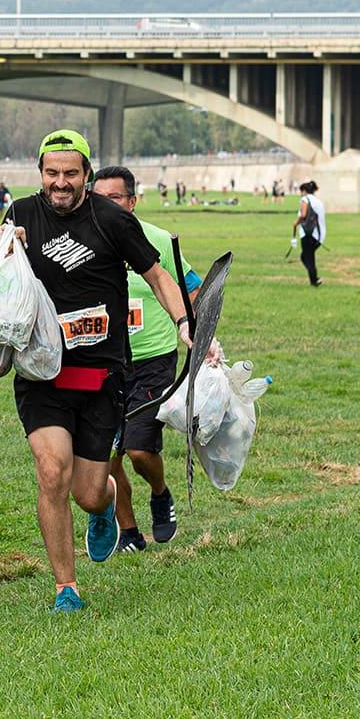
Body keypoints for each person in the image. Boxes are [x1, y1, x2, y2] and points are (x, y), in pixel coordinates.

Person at [1, 131, 192, 613]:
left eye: (70, 173)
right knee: (50, 472)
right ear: (40, 172)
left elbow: (158, 276)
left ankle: (105, 503)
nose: (60, 183)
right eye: (51, 173)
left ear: (86, 173)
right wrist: (8, 249)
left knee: (86, 493)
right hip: (41, 374)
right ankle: (67, 588)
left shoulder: (110, 219)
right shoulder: (20, 214)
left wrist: (184, 321)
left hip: (101, 378)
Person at [91, 165, 203, 552]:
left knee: (139, 450)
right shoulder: (86, 243)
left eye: (116, 198)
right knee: (104, 458)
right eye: (99, 198)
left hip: (153, 359)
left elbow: (192, 287)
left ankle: (159, 492)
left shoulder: (154, 240)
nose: (107, 205)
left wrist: (195, 328)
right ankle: (130, 533)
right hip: (105, 361)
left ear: (133, 201)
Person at [292, 180, 326, 287]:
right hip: (319, 235)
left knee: (308, 257)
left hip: (308, 233)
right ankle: (314, 277)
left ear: (304, 191)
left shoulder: (305, 199)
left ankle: (314, 280)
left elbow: (303, 215)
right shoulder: (319, 201)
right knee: (305, 256)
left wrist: (295, 223)